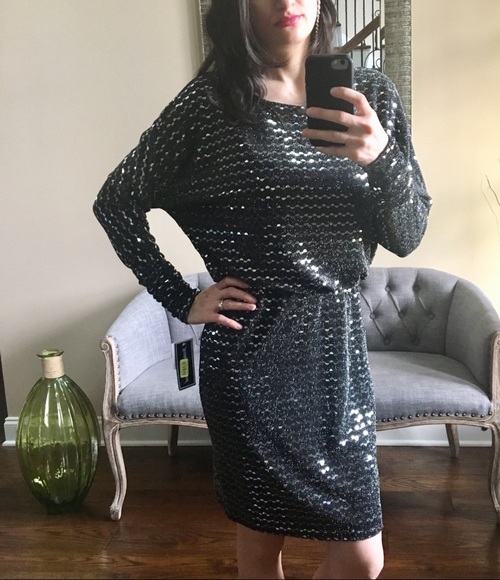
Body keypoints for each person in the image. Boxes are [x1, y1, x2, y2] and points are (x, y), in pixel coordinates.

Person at [94, 0, 431, 577]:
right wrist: (181, 298)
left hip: (338, 356)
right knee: (260, 541)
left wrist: (381, 158)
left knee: (362, 556)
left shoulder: (371, 95)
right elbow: (116, 202)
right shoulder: (211, 104)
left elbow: (409, 234)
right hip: (249, 356)